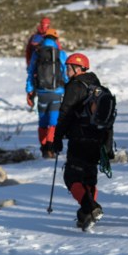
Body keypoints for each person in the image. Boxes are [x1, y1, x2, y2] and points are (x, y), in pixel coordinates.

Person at [52, 53, 114, 231]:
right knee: (88, 178)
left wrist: (57, 139)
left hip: (80, 138)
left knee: (71, 177)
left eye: (68, 67)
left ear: (77, 69)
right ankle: (86, 216)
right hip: (97, 140)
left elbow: (65, 113)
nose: (66, 71)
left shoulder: (76, 86)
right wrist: (107, 145)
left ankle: (92, 208)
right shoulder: (97, 85)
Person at [26, 28, 68, 159]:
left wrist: (29, 91)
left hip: (41, 92)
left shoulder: (37, 53)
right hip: (57, 91)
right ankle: (51, 147)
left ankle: (44, 148)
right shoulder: (60, 53)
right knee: (53, 122)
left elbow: (31, 72)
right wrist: (67, 87)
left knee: (42, 121)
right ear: (55, 39)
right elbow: (65, 72)